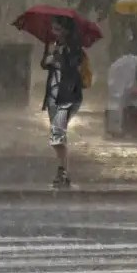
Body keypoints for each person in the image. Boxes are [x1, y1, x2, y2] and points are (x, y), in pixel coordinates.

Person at [41, 16, 85, 189]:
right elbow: (44, 64)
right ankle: (63, 170)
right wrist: (48, 57)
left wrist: (59, 58)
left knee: (57, 134)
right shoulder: (54, 46)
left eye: (58, 29)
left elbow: (73, 68)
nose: (55, 33)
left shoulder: (74, 49)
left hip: (67, 97)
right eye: (53, 29)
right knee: (57, 134)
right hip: (53, 96)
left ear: (66, 31)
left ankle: (63, 171)